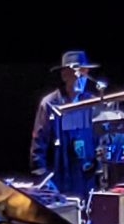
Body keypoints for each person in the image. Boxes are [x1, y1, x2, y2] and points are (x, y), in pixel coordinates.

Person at [29, 50, 101, 198]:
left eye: (84, 73)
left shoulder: (91, 103)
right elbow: (38, 147)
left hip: (85, 181)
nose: (80, 78)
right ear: (64, 75)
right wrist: (44, 181)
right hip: (58, 181)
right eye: (76, 73)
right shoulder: (50, 104)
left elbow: (99, 139)